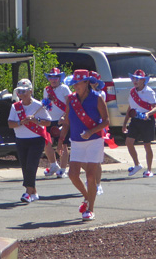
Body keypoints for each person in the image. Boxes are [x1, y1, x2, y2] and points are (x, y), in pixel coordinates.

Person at [58, 70, 109, 221]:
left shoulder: (97, 98)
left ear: (87, 83)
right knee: (72, 174)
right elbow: (67, 121)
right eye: (74, 84)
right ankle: (88, 197)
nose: (76, 87)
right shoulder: (71, 99)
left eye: (78, 83)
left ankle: (90, 209)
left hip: (94, 141)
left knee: (91, 175)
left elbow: (106, 121)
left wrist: (91, 131)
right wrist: (61, 140)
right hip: (76, 140)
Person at [8, 79, 52, 203]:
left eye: (23, 91)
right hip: (21, 140)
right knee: (25, 167)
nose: (21, 94)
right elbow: (10, 124)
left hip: (37, 140)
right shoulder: (15, 107)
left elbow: (48, 121)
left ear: (30, 91)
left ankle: (27, 193)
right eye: (19, 92)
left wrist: (36, 120)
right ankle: (34, 192)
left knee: (32, 165)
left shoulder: (39, 105)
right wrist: (20, 122)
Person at [122, 69, 156, 178]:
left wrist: (148, 113)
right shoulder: (132, 92)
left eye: (137, 79)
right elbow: (130, 108)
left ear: (143, 80)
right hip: (135, 120)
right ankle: (137, 164)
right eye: (133, 78)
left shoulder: (149, 91)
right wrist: (124, 123)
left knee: (147, 145)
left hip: (147, 121)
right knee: (129, 142)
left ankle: (149, 169)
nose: (135, 81)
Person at [41, 68, 71, 178]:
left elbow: (70, 104)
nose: (53, 80)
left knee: (63, 144)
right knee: (47, 143)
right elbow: (46, 105)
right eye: (51, 77)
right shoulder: (47, 90)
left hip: (62, 120)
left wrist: (64, 116)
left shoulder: (64, 88)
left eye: (55, 77)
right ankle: (54, 165)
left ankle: (63, 169)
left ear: (59, 78)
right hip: (50, 120)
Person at [88, 71, 109, 194]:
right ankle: (90, 180)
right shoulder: (80, 95)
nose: (91, 83)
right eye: (89, 81)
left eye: (93, 81)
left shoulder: (101, 94)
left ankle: (98, 183)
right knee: (85, 158)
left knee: (96, 158)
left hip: (98, 127)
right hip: (85, 127)